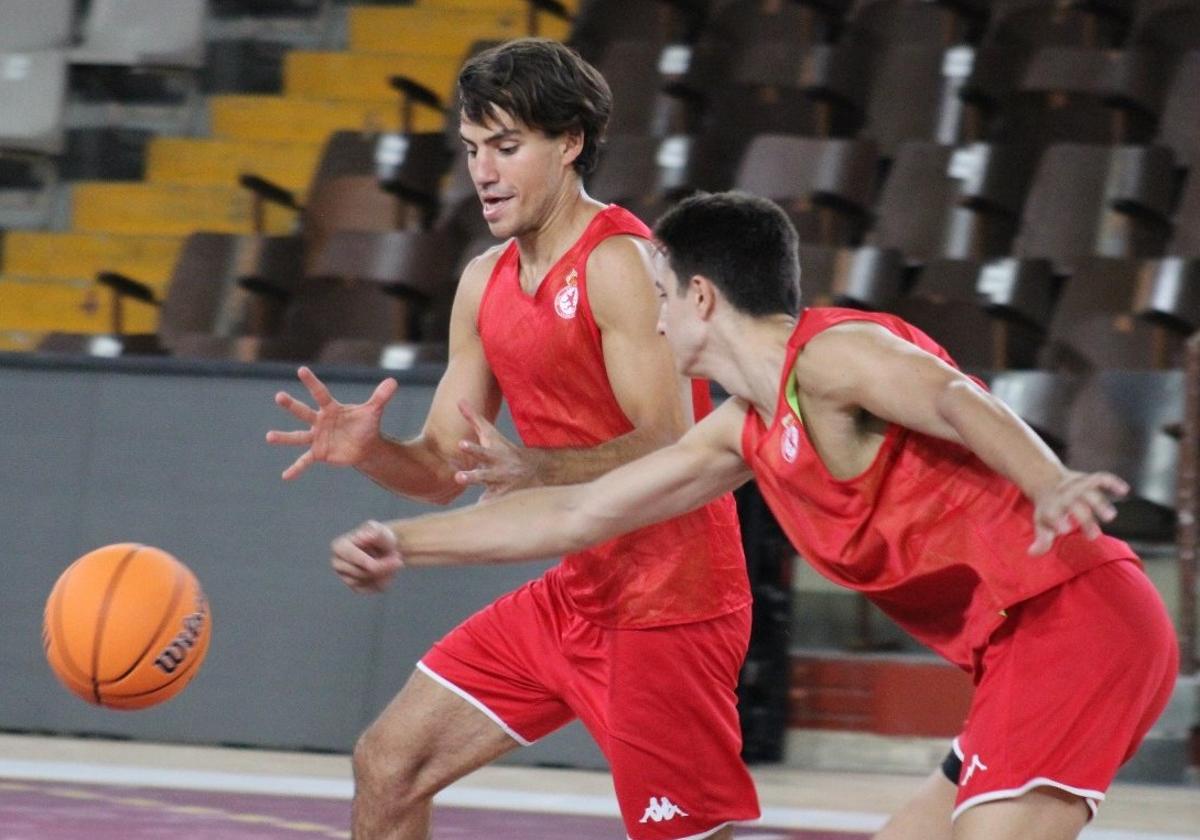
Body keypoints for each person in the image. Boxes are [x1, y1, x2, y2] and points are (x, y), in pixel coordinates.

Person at [332, 191, 1180, 840]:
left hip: (1073, 623)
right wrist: (404, 543)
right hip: (1015, 650)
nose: (654, 317)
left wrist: (1049, 477)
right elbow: (579, 515)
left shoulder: (833, 355)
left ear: (701, 299)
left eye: (662, 295)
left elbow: (955, 398)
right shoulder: (745, 426)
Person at [267, 40, 760, 840]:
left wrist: (538, 467)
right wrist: (372, 450)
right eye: (471, 150)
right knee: (390, 764)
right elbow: (438, 474)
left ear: (569, 143)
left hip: (673, 605)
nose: (484, 172)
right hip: (577, 595)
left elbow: (674, 440)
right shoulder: (483, 281)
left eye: (506, 146)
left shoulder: (622, 263)